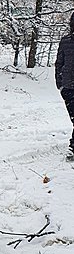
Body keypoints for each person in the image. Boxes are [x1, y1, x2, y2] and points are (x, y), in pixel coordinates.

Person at [55, 10, 74, 157]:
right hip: (68, 87)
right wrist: (60, 84)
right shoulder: (66, 41)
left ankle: (73, 147)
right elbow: (59, 63)